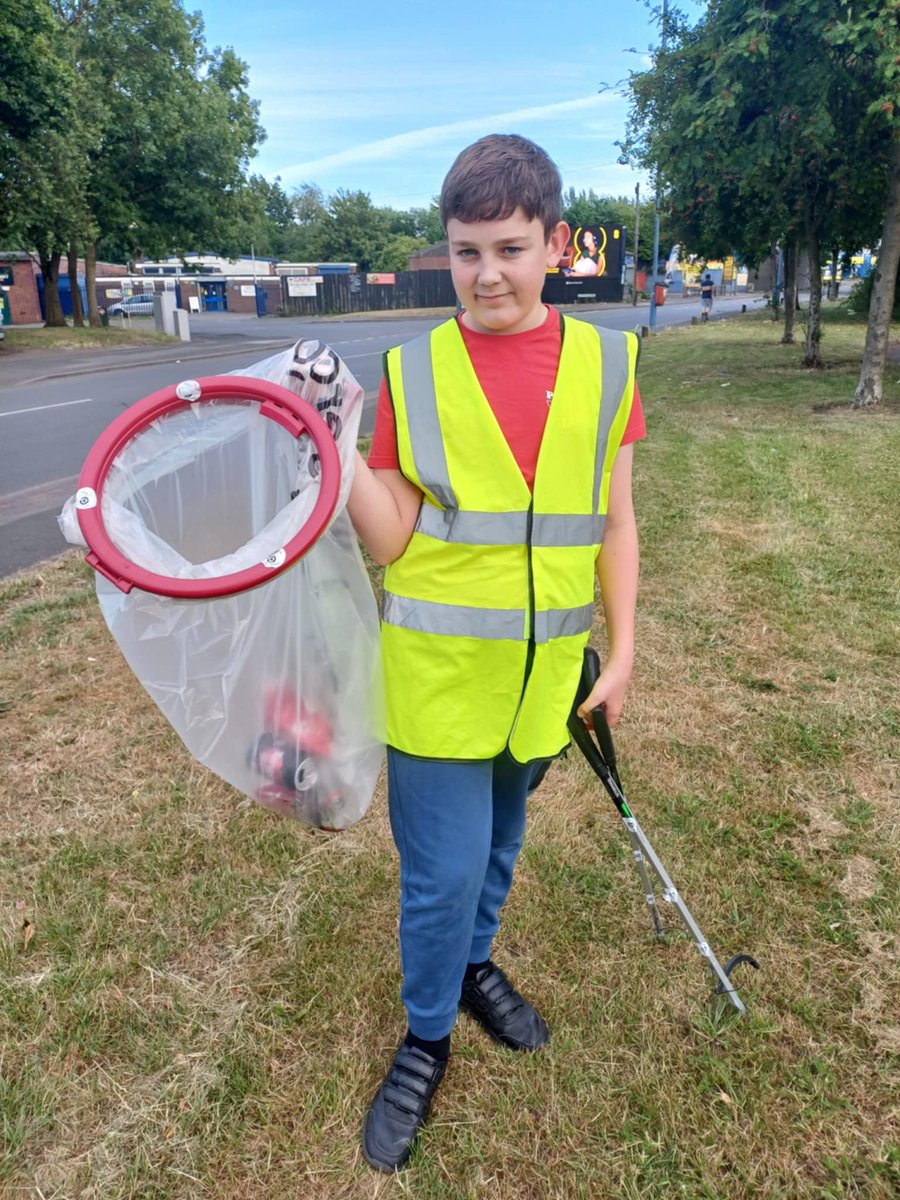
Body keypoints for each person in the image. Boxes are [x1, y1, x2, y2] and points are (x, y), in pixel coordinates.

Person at [346, 133, 645, 1173]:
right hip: (435, 677)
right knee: (443, 871)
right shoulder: (409, 370)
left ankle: (476, 968)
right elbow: (394, 538)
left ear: (556, 244)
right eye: (467, 251)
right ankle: (428, 1032)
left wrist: (623, 650)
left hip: (545, 677)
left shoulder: (609, 365)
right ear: (446, 249)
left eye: (510, 249)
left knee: (503, 841)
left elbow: (615, 522)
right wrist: (341, 454)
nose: (487, 275)